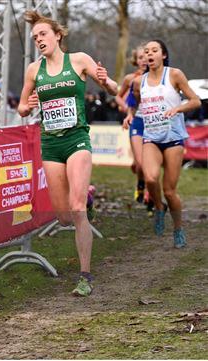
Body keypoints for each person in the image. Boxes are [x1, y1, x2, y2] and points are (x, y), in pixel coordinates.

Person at [18, 11, 118, 297]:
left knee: (77, 211)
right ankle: (87, 193)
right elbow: (22, 107)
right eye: (35, 37)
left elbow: (112, 88)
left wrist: (106, 80)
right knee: (63, 216)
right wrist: (27, 106)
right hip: (51, 145)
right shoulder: (33, 71)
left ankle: (84, 276)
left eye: (43, 34)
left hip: (77, 140)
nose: (39, 40)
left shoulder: (78, 60)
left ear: (57, 35)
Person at [124, 40, 200, 248]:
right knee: (149, 177)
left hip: (174, 138)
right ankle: (159, 208)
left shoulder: (174, 75)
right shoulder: (139, 82)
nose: (149, 54)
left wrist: (178, 109)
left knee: (169, 191)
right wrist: (129, 116)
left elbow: (196, 101)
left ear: (163, 55)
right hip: (152, 137)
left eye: (154, 51)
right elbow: (134, 102)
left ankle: (177, 228)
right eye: (146, 51)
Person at [117, 45, 154, 212]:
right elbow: (119, 96)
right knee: (140, 163)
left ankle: (149, 194)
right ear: (135, 60)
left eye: (145, 57)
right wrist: (127, 110)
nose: (143, 60)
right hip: (137, 120)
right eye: (140, 57)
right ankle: (141, 183)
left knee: (148, 164)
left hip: (153, 122)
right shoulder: (131, 79)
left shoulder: (157, 77)